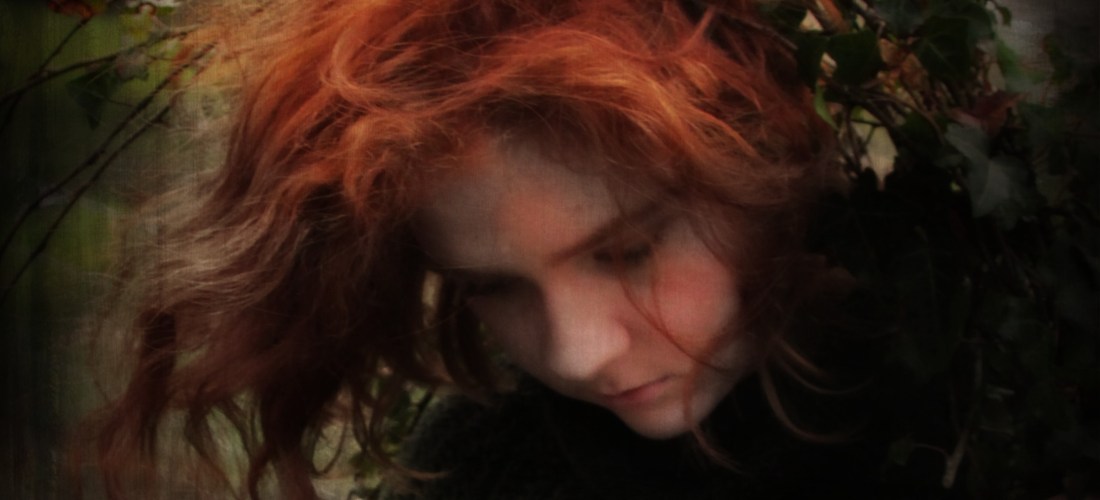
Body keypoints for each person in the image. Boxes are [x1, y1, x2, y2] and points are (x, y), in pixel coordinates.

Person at [84, 0, 901, 498]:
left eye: (628, 252)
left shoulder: (965, 389)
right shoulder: (473, 472)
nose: (578, 353)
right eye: (493, 286)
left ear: (771, 161)